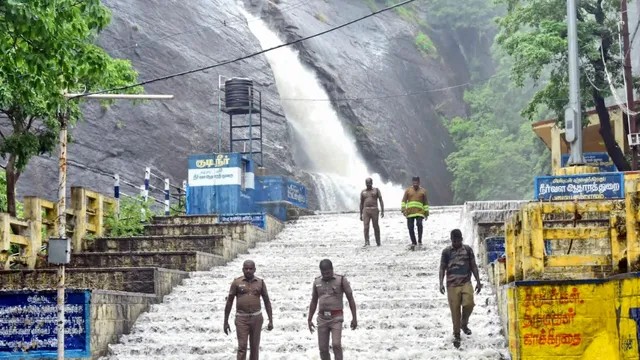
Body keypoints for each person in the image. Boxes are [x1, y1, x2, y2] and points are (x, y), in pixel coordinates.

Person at [439, 229, 482, 348]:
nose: (456, 243)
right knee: (455, 310)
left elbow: (473, 265)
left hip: (465, 282)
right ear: (451, 240)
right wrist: (441, 283)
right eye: (454, 241)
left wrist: (478, 281)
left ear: (461, 239)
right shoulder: (446, 252)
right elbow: (442, 268)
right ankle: (457, 334)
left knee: (469, 303)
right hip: (452, 285)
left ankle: (464, 323)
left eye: (458, 241)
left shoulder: (468, 250)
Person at [307, 259, 358, 360]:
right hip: (322, 318)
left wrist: (354, 318)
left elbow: (351, 299)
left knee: (336, 344)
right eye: (323, 273)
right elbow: (313, 301)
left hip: (336, 317)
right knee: (323, 349)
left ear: (332, 269)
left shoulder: (341, 280)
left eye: (328, 272)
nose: (326, 275)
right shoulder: (317, 281)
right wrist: (309, 319)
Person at [224, 259, 274, 360]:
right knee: (242, 347)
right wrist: (225, 321)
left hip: (256, 318)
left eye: (250, 268)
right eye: (246, 268)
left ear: (254, 269)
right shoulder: (236, 282)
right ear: (242, 269)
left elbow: (267, 301)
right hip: (241, 319)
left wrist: (271, 320)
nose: (248, 270)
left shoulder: (260, 282)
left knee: (255, 347)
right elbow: (229, 301)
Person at [400, 176, 429, 246]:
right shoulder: (408, 190)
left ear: (419, 182)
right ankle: (413, 242)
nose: (415, 184)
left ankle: (419, 240)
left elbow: (425, 203)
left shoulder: (423, 191)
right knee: (410, 227)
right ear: (412, 182)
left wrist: (426, 213)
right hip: (410, 212)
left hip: (420, 212)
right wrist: (403, 210)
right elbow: (403, 201)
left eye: (417, 182)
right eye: (414, 182)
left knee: (419, 224)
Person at [359, 177, 384, 246]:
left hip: (374, 210)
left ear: (372, 183)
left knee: (375, 226)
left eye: (369, 184)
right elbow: (361, 203)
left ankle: (378, 242)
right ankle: (367, 242)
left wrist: (382, 210)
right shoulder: (363, 192)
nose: (368, 185)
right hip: (366, 210)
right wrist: (360, 214)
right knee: (366, 227)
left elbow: (381, 200)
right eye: (367, 184)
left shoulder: (376, 190)